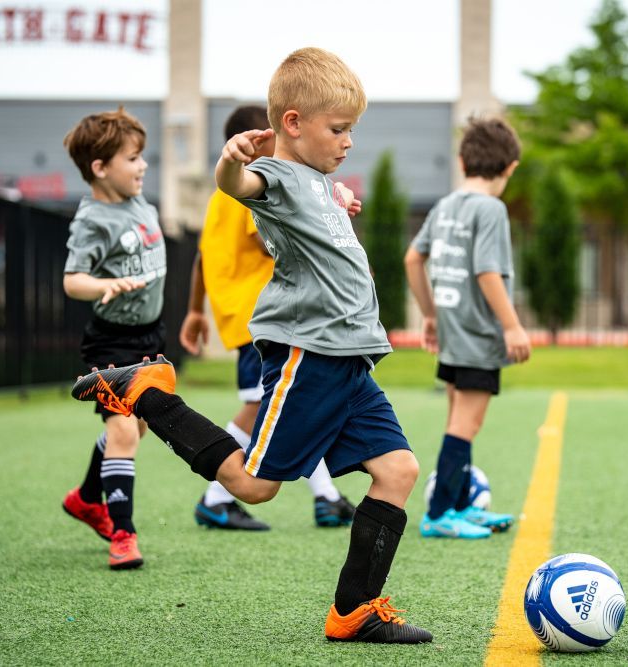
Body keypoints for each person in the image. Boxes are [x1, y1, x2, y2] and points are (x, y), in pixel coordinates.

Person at [71, 47, 432, 644]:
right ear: (293, 123)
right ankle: (147, 392)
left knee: (398, 470)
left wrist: (335, 200)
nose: (348, 142)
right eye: (338, 129)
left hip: (352, 367)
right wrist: (230, 162)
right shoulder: (279, 176)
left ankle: (354, 611)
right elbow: (242, 184)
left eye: (352, 130)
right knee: (255, 486)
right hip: (309, 357)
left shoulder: (318, 183)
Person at [180, 104, 355, 530]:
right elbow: (274, 238)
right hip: (264, 316)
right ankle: (216, 497)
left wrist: (193, 310)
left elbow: (203, 258)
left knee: (293, 400)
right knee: (262, 406)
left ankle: (327, 497)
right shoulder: (259, 187)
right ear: (261, 140)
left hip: (242, 315)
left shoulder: (218, 199)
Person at [403, 117, 531, 539]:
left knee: (458, 419)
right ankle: (440, 514)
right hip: (477, 336)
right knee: (466, 424)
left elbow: (412, 259)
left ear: (461, 161)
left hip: (452, 331)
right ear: (511, 167)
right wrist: (512, 327)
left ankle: (459, 505)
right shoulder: (491, 209)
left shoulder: (446, 205)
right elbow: (488, 272)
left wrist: (431, 315)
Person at [61, 107, 166, 569]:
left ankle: (86, 497)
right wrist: (103, 286)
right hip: (111, 344)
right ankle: (123, 533)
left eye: (142, 156)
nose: (142, 166)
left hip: (150, 335)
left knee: (135, 430)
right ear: (100, 168)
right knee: (123, 430)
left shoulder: (142, 202)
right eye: (132, 158)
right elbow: (72, 280)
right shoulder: (92, 221)